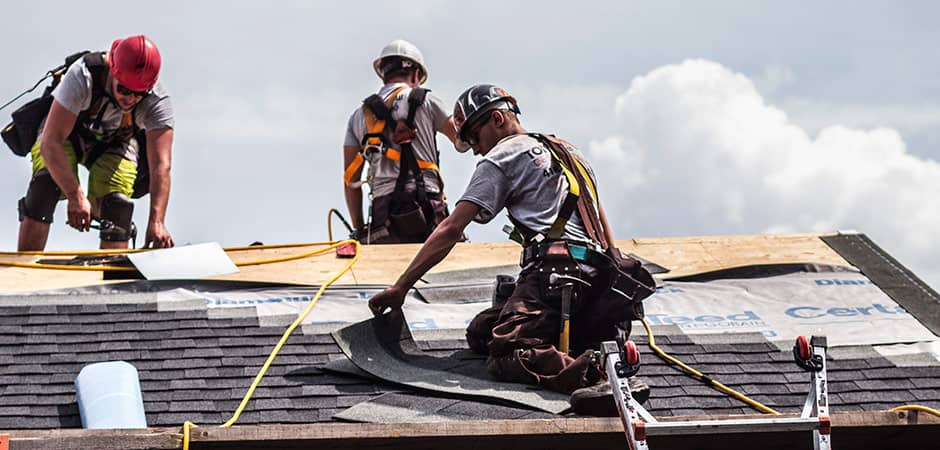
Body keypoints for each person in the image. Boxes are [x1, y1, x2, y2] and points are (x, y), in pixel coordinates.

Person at [368, 84, 655, 415]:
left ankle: (597, 377)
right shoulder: (568, 152)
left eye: (474, 138)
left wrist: (400, 287)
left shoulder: (503, 156)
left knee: (505, 352)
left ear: (497, 118)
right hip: (598, 282)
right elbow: (603, 227)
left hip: (554, 274)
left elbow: (450, 229)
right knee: (482, 332)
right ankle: (582, 351)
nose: (475, 150)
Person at [17, 34, 175, 250]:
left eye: (139, 94)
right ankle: (22, 267)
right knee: (46, 185)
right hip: (65, 137)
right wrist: (75, 195)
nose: (130, 99)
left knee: (117, 205)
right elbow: (50, 143)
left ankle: (113, 276)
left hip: (115, 143)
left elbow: (161, 166)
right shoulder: (83, 76)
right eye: (124, 90)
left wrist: (157, 222)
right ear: (113, 72)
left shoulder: (157, 100)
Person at [342, 39, 468, 244]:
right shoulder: (426, 100)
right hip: (427, 206)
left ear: (383, 73)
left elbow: (351, 181)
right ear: (416, 73)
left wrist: (359, 228)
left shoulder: (359, 116)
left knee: (389, 273)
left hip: (384, 213)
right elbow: (462, 141)